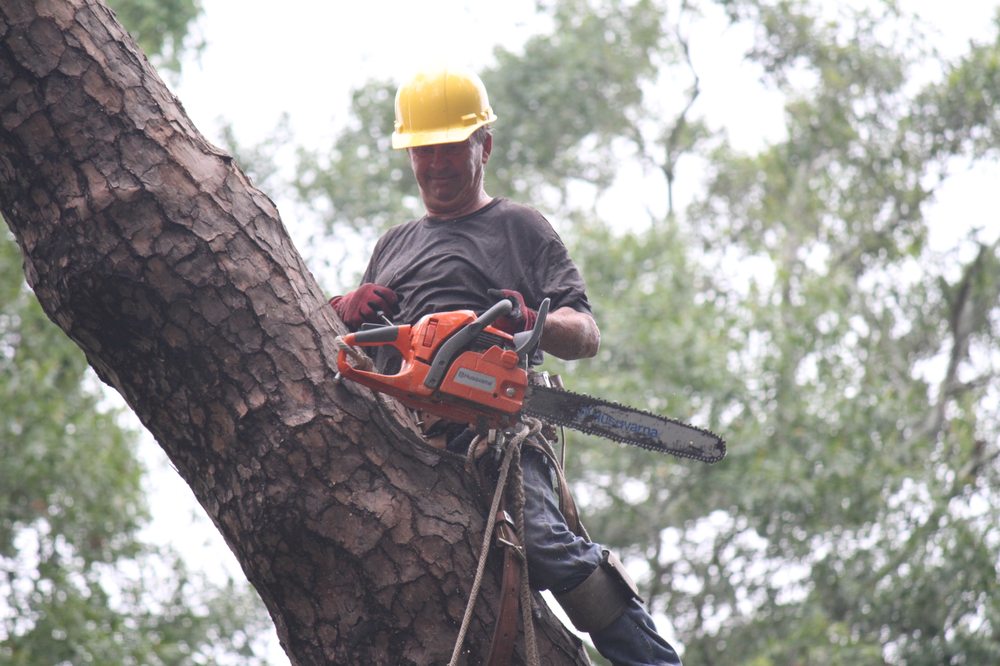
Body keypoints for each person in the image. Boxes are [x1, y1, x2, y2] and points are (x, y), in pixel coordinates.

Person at [330, 65, 682, 666]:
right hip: (403, 439)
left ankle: (652, 660)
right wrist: (343, 309)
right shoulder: (393, 243)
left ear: (483, 147)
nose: (435, 165)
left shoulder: (518, 228)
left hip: (495, 434)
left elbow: (586, 333)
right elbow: (356, 352)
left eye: (449, 149)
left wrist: (533, 324)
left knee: (544, 546)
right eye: (424, 151)